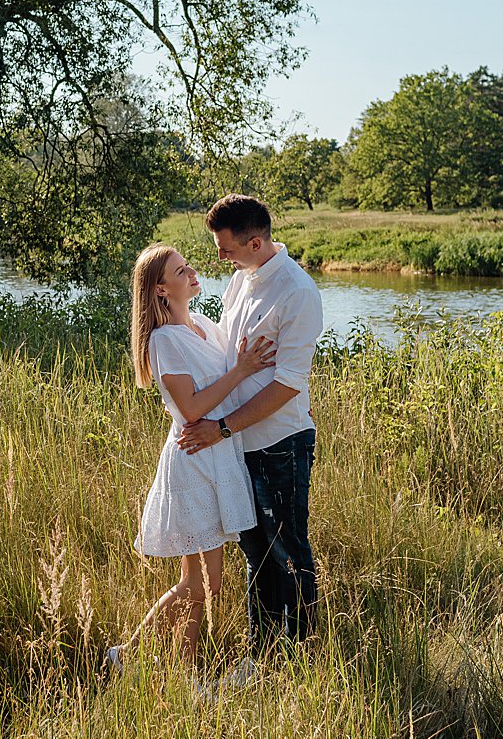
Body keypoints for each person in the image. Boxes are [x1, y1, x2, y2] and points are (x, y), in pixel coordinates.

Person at [105, 243, 277, 674]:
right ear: (161, 290)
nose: (192, 272)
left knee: (206, 583)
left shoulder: (202, 324)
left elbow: (237, 367)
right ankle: (143, 659)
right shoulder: (164, 341)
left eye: (187, 266)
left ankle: (154, 662)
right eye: (181, 271)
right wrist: (240, 370)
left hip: (218, 456)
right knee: (198, 583)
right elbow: (192, 408)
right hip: (194, 461)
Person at [177, 194, 322, 661]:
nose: (219, 256)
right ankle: (262, 655)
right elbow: (229, 355)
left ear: (255, 242)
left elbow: (287, 386)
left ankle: (299, 656)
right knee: (254, 553)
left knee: (288, 551)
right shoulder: (241, 279)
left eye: (225, 248)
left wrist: (220, 428)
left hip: (279, 442)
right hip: (237, 443)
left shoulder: (297, 294)